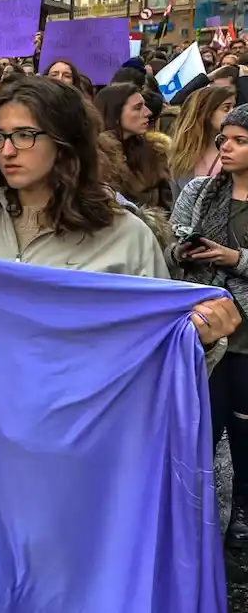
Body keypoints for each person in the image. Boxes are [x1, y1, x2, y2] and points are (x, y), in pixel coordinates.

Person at [0, 76, 238, 365]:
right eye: (0, 137)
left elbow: (161, 359)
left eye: (25, 135)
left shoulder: (126, 236)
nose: (8, 151)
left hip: (79, 438)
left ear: (66, 142)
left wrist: (202, 340)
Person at [168, 103, 248, 548]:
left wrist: (235, 258)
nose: (226, 147)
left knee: (244, 429)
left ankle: (243, 510)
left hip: (247, 337)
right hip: (204, 331)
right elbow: (170, 248)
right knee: (201, 426)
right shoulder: (200, 191)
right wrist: (185, 253)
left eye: (239, 140)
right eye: (223, 139)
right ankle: (192, 516)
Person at [95, 83, 175, 210]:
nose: (148, 112)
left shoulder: (154, 152)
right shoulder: (93, 159)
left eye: (145, 106)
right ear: (114, 114)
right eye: (138, 108)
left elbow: (167, 206)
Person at [169, 85, 236, 189]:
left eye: (234, 107)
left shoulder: (239, 154)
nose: (234, 113)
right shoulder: (178, 159)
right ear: (205, 112)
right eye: (226, 108)